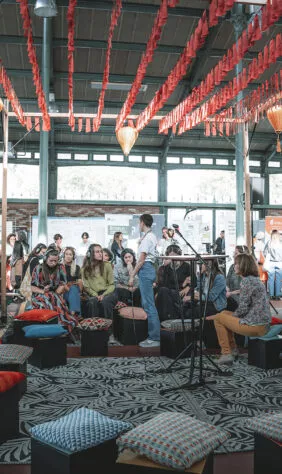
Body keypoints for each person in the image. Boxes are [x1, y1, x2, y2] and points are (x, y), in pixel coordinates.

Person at [207, 253, 271, 365]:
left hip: (256, 326)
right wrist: (227, 316)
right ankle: (233, 350)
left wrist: (222, 317)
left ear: (243, 265)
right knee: (224, 313)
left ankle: (226, 353)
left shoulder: (246, 281)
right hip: (263, 324)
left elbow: (242, 309)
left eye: (236, 263)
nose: (234, 266)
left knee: (219, 318)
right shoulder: (254, 279)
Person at [128, 214, 160, 347]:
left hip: (145, 269)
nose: (138, 225)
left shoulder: (147, 239)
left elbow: (141, 260)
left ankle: (154, 337)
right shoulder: (150, 237)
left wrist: (132, 275)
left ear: (142, 223)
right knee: (147, 303)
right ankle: (153, 336)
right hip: (149, 269)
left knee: (149, 305)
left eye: (139, 223)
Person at [31, 247, 77, 333]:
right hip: (39, 294)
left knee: (56, 301)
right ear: (45, 259)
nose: (53, 263)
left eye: (55, 261)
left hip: (55, 293)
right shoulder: (38, 268)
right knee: (44, 301)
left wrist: (55, 293)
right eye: (51, 260)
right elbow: (32, 287)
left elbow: (62, 284)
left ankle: (61, 326)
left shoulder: (60, 268)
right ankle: (48, 327)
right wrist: (43, 291)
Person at [184, 259, 227, 348]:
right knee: (185, 309)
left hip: (215, 305)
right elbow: (198, 289)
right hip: (204, 302)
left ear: (208, 265)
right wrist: (194, 294)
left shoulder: (219, 277)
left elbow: (211, 297)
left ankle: (200, 340)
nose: (199, 266)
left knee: (194, 312)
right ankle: (192, 340)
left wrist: (194, 296)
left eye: (201, 264)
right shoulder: (203, 276)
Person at [81, 244, 117, 331]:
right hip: (94, 294)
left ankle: (109, 332)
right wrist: (96, 295)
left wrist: (104, 295)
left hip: (109, 292)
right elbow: (86, 287)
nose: (100, 254)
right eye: (97, 252)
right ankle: (94, 331)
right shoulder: (84, 269)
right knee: (92, 302)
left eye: (101, 251)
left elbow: (112, 284)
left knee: (105, 302)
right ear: (90, 254)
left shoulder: (107, 265)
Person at [156, 244, 191, 321]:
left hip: (181, 292)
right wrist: (165, 268)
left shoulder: (186, 266)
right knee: (163, 291)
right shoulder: (166, 268)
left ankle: (166, 318)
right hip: (169, 292)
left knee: (163, 291)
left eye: (174, 255)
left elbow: (194, 281)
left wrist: (187, 286)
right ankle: (164, 319)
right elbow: (164, 284)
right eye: (170, 256)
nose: (172, 258)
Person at [226, 245, 249, 311]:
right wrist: (227, 288)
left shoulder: (247, 269)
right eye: (234, 253)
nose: (233, 256)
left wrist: (231, 293)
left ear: (243, 256)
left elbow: (246, 290)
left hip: (241, 299)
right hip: (231, 297)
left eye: (236, 253)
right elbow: (227, 281)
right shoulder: (232, 267)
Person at [63, 247, 83, 317]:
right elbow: (61, 283)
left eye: (70, 254)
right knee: (73, 289)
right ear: (64, 255)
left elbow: (80, 283)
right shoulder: (60, 267)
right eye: (66, 254)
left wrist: (80, 291)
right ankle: (76, 316)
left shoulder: (77, 267)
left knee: (74, 288)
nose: (68, 256)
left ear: (73, 256)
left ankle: (73, 313)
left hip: (74, 290)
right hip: (64, 290)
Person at [263, 229, 282, 300]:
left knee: (270, 279)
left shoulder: (269, 243)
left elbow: (265, 252)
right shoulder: (280, 243)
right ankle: (277, 295)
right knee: (278, 279)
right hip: (280, 263)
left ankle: (271, 295)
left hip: (270, 263)